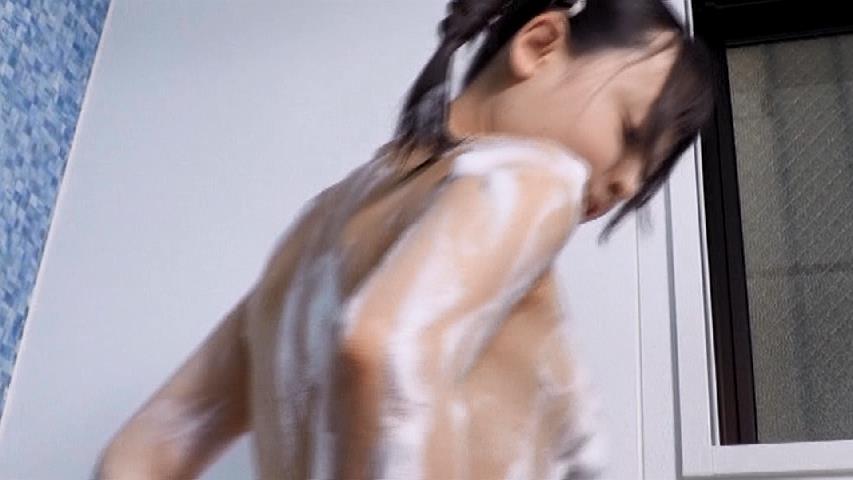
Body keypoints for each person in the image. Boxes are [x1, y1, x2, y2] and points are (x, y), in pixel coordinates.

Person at [96, 0, 712, 478]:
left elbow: (145, 451)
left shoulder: (320, 226)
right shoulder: (533, 181)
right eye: (631, 133)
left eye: (647, 173)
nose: (628, 182)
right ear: (539, 45)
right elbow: (389, 349)